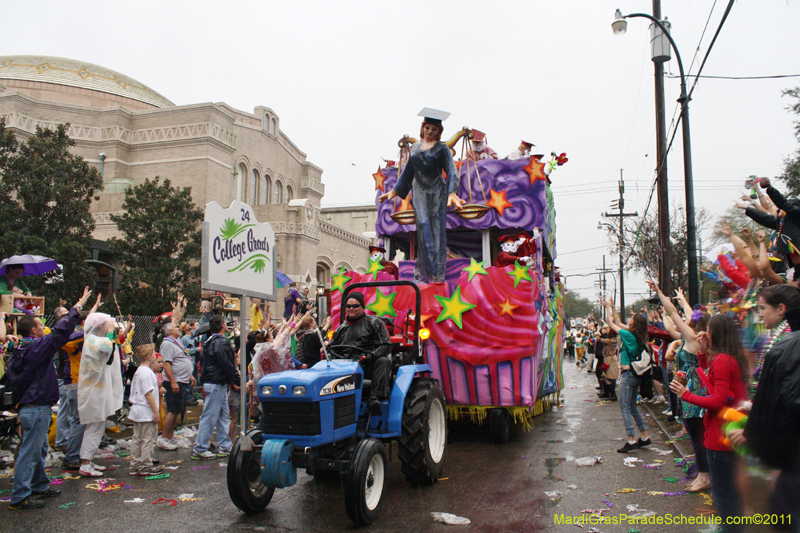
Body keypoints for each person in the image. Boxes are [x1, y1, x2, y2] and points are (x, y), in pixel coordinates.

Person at [6, 287, 92, 509]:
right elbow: (59, 333)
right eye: (39, 326)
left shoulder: (21, 348)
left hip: (31, 407)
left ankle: (39, 485)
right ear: (34, 331)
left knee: (40, 448)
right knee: (30, 450)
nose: (44, 329)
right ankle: (20, 496)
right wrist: (78, 306)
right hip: (36, 407)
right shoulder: (37, 349)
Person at [729, 285, 800, 530]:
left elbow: (783, 399)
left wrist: (752, 433)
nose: (758, 315)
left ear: (781, 309)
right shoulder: (784, 338)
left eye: (762, 309)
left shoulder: (787, 343)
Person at [670, 314, 749, 532]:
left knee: (724, 496)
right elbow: (712, 386)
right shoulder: (730, 357)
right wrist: (703, 355)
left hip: (720, 435)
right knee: (729, 493)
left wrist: (685, 394)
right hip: (729, 432)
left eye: (708, 330)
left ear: (714, 333)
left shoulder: (723, 360)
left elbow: (717, 400)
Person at [378, 108, 466, 283]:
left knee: (436, 231)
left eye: (434, 129)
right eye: (428, 128)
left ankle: (437, 274)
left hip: (437, 191)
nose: (430, 132)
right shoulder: (416, 147)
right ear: (423, 128)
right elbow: (408, 171)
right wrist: (395, 191)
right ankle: (423, 273)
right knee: (424, 228)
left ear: (439, 131)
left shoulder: (442, 149)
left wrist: (452, 192)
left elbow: (451, 170)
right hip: (419, 191)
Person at [647, 279, 711, 492]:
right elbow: (682, 311)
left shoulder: (692, 337)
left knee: (697, 435)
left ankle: (704, 476)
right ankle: (705, 472)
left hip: (693, 389)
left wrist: (659, 292)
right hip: (693, 387)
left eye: (688, 318)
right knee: (698, 434)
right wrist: (682, 299)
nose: (684, 319)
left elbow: (673, 312)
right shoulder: (693, 336)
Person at [77, 311, 124, 477]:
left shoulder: (94, 340)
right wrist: (111, 331)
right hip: (93, 392)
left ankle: (88, 460)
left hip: (98, 390)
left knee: (97, 426)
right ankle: (85, 463)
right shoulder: (92, 340)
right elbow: (106, 348)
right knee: (94, 425)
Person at [328, 292, 391, 415]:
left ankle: (374, 399)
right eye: (348, 306)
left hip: (367, 364)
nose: (351, 309)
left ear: (362, 307)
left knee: (384, 361)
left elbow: (386, 345)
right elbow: (332, 347)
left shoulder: (374, 323)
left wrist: (370, 356)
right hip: (344, 366)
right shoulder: (341, 329)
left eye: (355, 306)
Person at [602, 298, 652, 453]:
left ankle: (631, 440)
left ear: (634, 324)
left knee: (624, 407)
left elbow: (612, 324)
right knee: (632, 407)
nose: (628, 321)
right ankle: (644, 437)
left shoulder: (628, 334)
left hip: (628, 374)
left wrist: (607, 309)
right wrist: (612, 307)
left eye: (630, 320)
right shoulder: (636, 334)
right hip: (636, 374)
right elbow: (617, 321)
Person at [192, 315, 239, 460]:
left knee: (222, 416)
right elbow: (226, 363)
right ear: (222, 325)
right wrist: (237, 379)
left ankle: (225, 445)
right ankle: (200, 447)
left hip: (217, 382)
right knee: (210, 415)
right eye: (225, 323)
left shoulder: (211, 341)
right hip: (216, 383)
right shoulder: (220, 342)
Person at [157, 322, 196, 451]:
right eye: (174, 327)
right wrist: (173, 382)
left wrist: (189, 375)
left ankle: (170, 436)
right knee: (173, 410)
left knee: (178, 409)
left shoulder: (175, 342)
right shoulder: (167, 344)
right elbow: (167, 364)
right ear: (170, 331)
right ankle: (164, 438)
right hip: (175, 382)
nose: (177, 328)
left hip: (182, 381)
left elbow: (181, 358)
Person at [127, 347, 163, 477]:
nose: (155, 356)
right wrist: (156, 411)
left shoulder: (139, 371)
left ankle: (134, 464)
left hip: (137, 410)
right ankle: (145, 466)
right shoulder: (147, 373)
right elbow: (148, 394)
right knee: (147, 439)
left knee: (137, 439)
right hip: (146, 411)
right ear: (149, 357)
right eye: (153, 354)